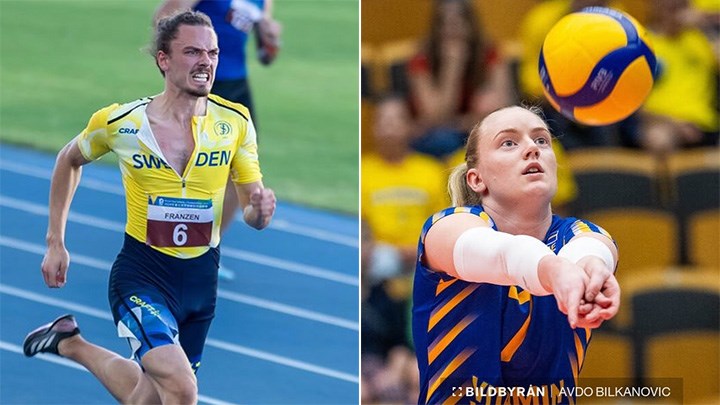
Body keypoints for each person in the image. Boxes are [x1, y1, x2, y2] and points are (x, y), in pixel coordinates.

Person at [23, 11, 275, 404]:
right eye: (192, 52)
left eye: (212, 52)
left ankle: (71, 344)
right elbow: (68, 159)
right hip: (142, 276)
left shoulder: (235, 122)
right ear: (164, 59)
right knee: (182, 390)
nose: (205, 62)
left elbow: (252, 213)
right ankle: (73, 344)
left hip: (201, 281)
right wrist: (56, 241)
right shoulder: (121, 123)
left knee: (151, 398)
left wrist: (260, 209)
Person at [412, 106, 620, 404]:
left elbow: (590, 252)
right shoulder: (447, 227)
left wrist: (592, 271)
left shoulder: (584, 235)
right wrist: (555, 271)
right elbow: (503, 254)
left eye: (542, 140)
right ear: (476, 179)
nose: (532, 149)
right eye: (509, 143)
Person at [155, 0, 281, 280]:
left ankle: (208, 247)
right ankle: (167, 248)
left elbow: (266, 54)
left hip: (237, 86)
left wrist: (270, 39)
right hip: (200, 85)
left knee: (241, 170)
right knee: (189, 167)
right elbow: (163, 19)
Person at [517, 0, 639, 150]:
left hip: (608, 102)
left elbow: (631, 78)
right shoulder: (542, 19)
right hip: (555, 105)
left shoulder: (621, 19)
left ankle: (610, 166)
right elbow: (532, 86)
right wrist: (576, 98)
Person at [406, 0, 512, 159]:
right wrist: (453, 66)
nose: (452, 30)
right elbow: (436, 117)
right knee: (443, 140)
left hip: (478, 128)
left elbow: (501, 105)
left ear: (471, 25)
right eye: (445, 23)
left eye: (459, 22)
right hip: (437, 136)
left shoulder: (488, 52)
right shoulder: (421, 58)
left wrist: (464, 122)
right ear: (436, 28)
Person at [634, 0, 719, 155]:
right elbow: (632, 104)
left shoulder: (699, 39)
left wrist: (705, 28)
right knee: (658, 138)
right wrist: (674, 124)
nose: (675, 12)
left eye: (680, 6)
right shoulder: (643, 44)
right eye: (669, 6)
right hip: (662, 124)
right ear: (655, 6)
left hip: (706, 124)